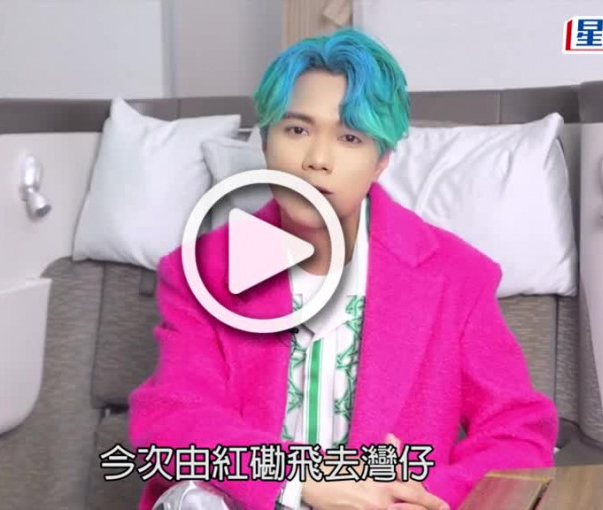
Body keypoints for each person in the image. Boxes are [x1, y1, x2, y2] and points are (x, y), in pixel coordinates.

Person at [129, 27, 558, 510]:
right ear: (265, 143)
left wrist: (426, 496)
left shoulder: (456, 276)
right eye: (297, 130)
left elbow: (517, 431)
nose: (317, 160)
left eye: (350, 137)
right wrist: (300, 483)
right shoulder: (200, 271)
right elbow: (174, 418)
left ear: (381, 161)